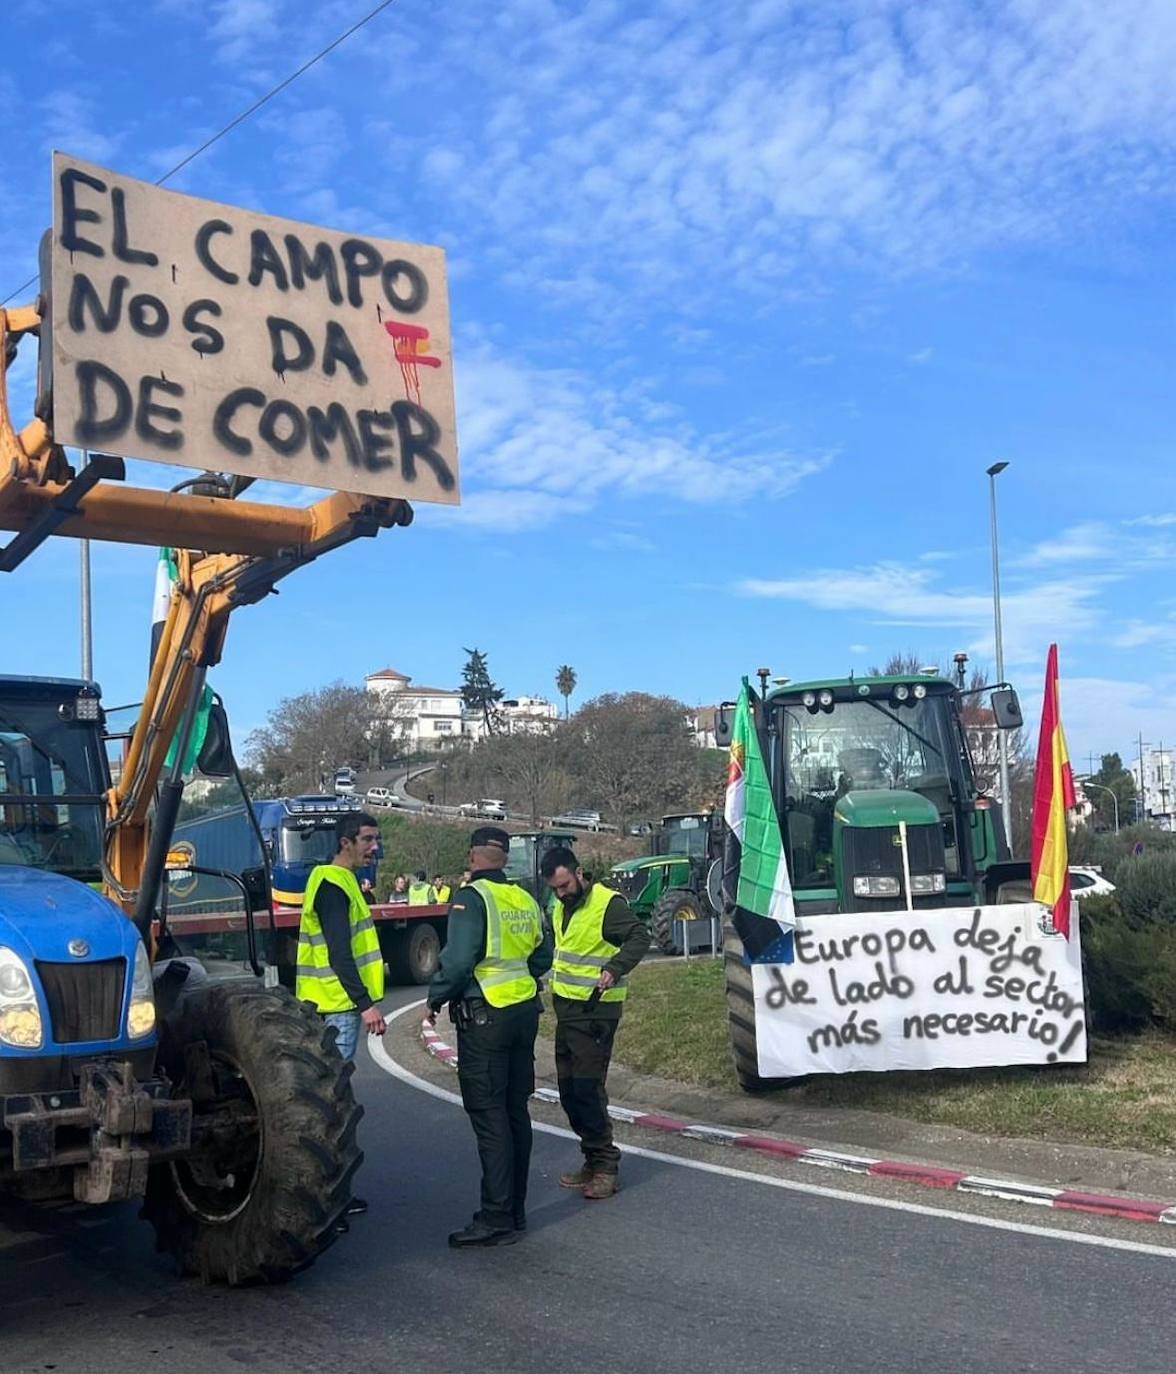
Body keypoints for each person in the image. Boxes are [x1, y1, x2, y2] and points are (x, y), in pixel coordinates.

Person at [427, 826, 552, 1247]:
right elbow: (542, 955)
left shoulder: (470, 897)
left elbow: (459, 960)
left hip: (485, 1018)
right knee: (516, 1111)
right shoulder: (525, 898)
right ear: (505, 857)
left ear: (473, 856)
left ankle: (496, 1216)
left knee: (489, 1114)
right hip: (523, 1013)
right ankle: (514, 1211)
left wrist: (435, 998)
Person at [540, 846, 649, 1200]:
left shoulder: (607, 904)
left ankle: (606, 1166)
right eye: (555, 888)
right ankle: (591, 1157)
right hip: (568, 1012)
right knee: (570, 1092)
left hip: (597, 1013)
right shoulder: (560, 906)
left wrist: (614, 969)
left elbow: (639, 937)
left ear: (580, 872)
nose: (561, 893)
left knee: (588, 1088)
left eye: (565, 885)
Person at [295, 810, 386, 1227]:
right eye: (367, 839)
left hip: (334, 1003)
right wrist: (364, 1003)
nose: (374, 846)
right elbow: (339, 954)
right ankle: (327, 1196)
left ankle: (329, 1193)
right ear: (345, 841)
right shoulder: (333, 884)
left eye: (375, 839)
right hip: (336, 1006)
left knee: (332, 1103)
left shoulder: (344, 881)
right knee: (333, 1107)